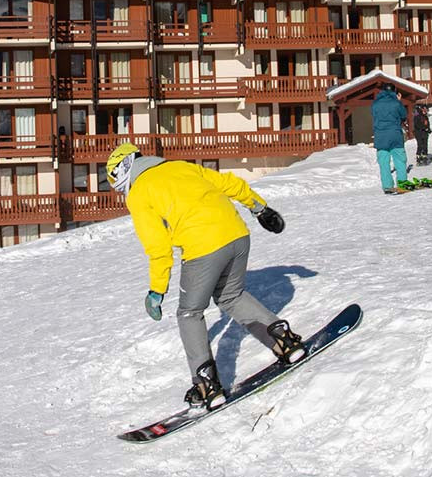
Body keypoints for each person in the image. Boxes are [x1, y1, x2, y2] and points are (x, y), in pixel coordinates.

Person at [107, 141, 304, 410]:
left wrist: (156, 291)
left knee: (189, 312)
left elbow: (158, 247)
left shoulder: (139, 192)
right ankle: (284, 340)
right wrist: (260, 209)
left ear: (123, 173)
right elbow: (231, 184)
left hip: (203, 248)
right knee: (231, 296)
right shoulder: (181, 167)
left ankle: (206, 384)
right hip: (237, 235)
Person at [371, 84, 410, 194]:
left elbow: (374, 116)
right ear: (395, 92)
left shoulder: (375, 104)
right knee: (400, 161)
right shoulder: (396, 103)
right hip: (395, 135)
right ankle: (402, 184)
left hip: (380, 136)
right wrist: (399, 101)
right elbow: (403, 115)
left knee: (383, 162)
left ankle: (387, 186)